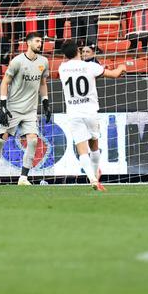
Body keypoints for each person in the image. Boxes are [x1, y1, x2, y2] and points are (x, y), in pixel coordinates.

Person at [0, 32, 50, 187]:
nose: (40, 44)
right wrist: (3, 106)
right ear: (28, 43)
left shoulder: (44, 61)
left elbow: (43, 83)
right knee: (0, 141)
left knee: (33, 141)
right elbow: (5, 82)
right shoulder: (17, 61)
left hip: (30, 110)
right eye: (37, 41)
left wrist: (45, 102)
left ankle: (23, 178)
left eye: (41, 41)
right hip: (13, 109)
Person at [57, 39, 125, 191]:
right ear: (78, 52)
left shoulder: (62, 68)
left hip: (73, 112)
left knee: (81, 149)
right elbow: (114, 74)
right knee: (94, 143)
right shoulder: (90, 66)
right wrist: (121, 66)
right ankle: (95, 173)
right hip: (90, 111)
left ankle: (92, 178)